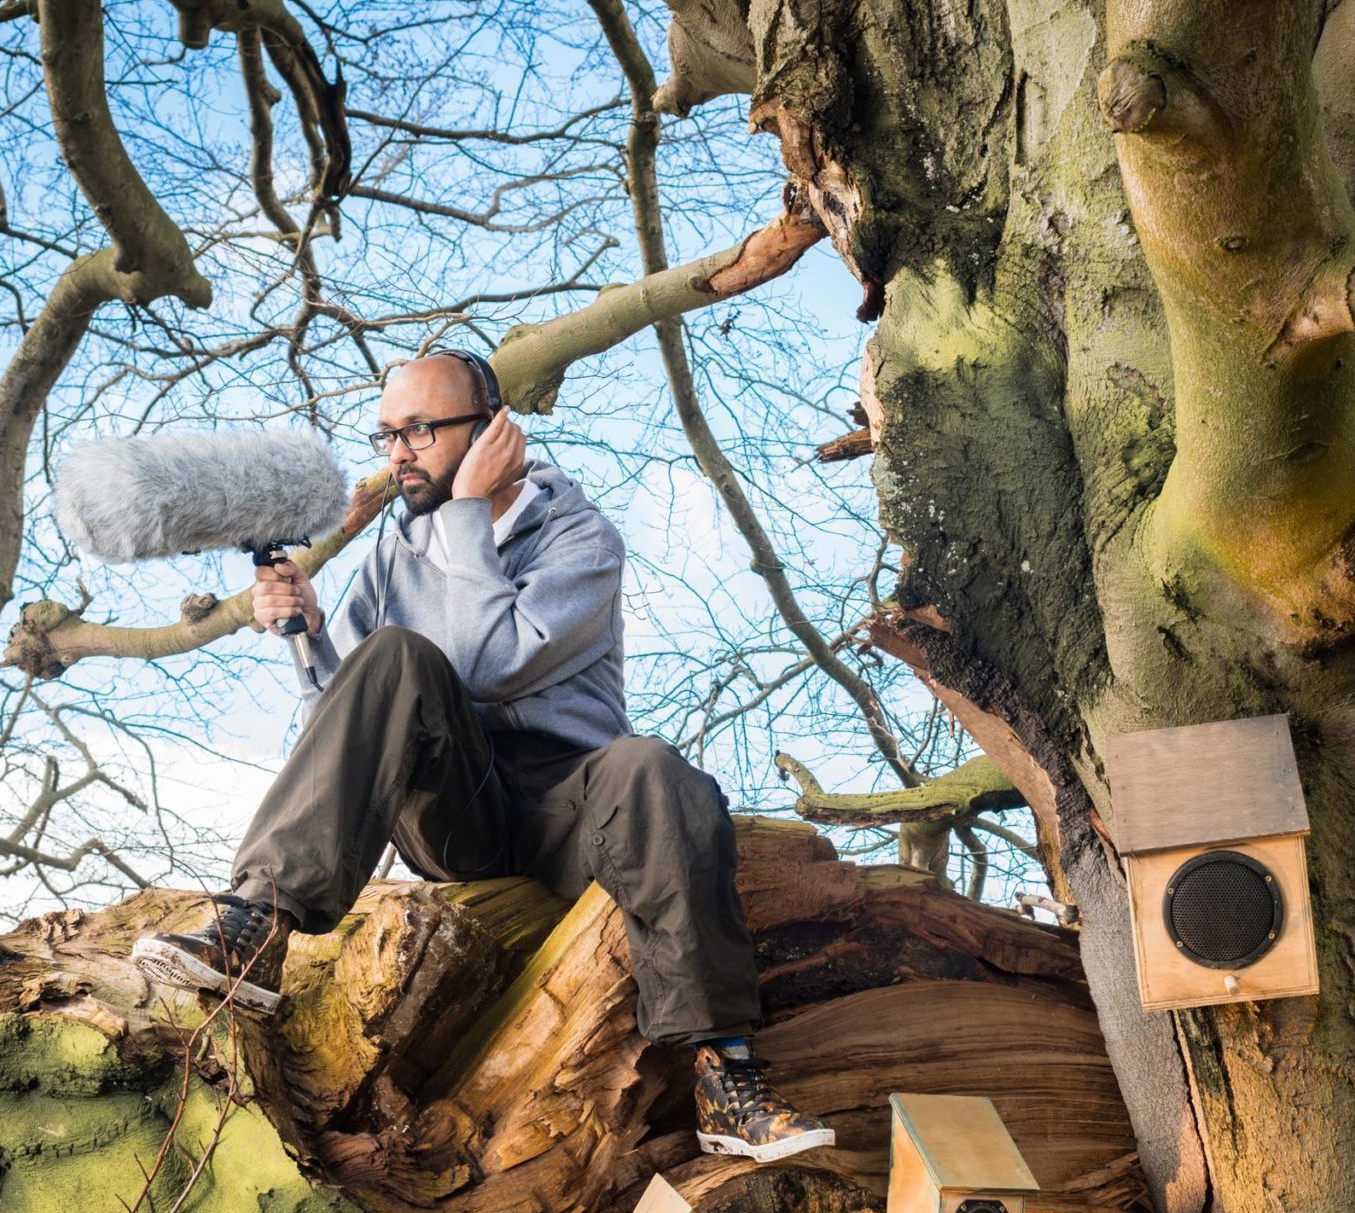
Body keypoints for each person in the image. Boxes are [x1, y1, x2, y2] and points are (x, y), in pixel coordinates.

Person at [132, 350, 834, 1160]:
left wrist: (465, 512)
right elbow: (348, 728)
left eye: (419, 431)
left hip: (571, 805)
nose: (397, 454)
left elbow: (494, 662)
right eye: (388, 434)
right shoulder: (392, 558)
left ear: (494, 430)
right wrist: (311, 639)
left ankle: (724, 1077)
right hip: (452, 806)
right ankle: (255, 929)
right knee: (391, 654)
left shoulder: (579, 538)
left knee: (654, 766)